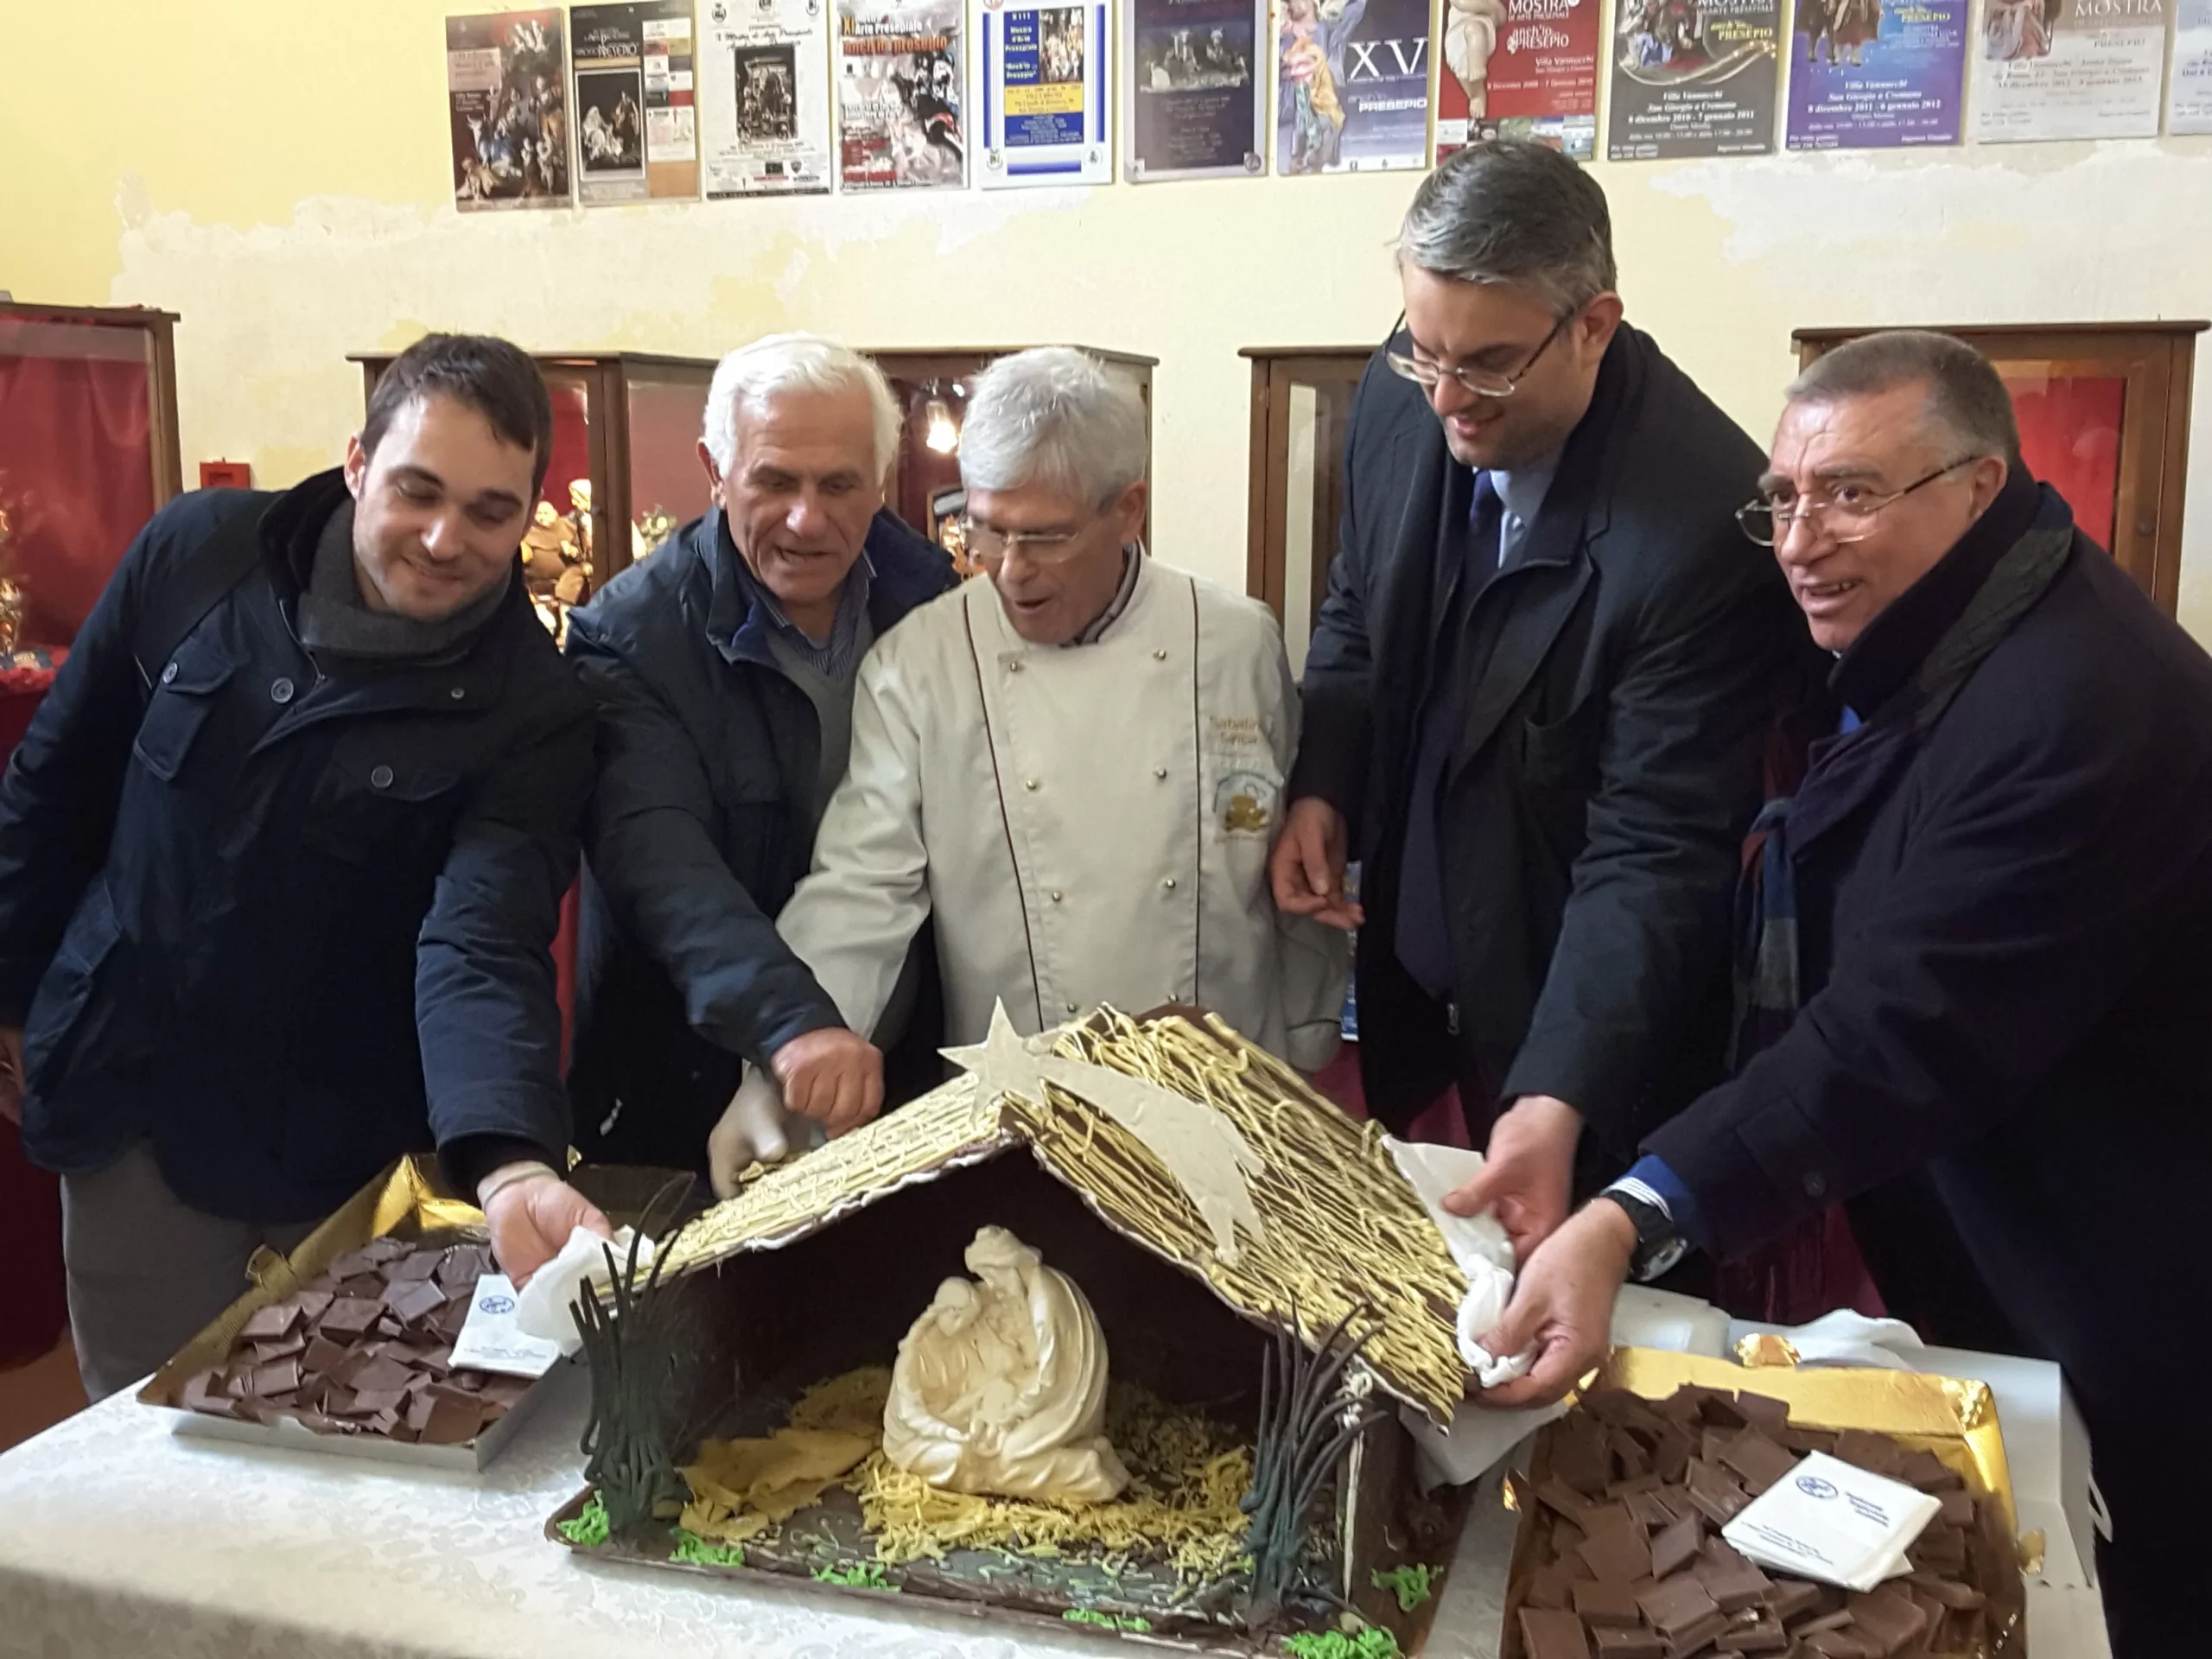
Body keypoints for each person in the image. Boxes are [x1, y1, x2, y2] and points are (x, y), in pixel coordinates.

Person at [1473, 330, 2212, 1658]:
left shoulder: (2079, 704)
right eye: (1786, 500)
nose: (1803, 539)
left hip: (2128, 1260)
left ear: (1979, 488)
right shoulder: (1953, 629)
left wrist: (1633, 1214)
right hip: (1993, 1206)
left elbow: (1903, 1030)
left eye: (1854, 493)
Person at [0, 334, 610, 1399]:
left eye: (489, 512)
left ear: (527, 515)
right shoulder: (196, 552)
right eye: (417, 490)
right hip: (133, 1103)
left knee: (327, 1447)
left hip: (343, 1152)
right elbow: (55, 782)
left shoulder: (534, 711)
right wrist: (11, 997)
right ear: (357, 462)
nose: (442, 537)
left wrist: (510, 1158)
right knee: (142, 1457)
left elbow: (482, 938)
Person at [1273, 140, 1813, 1250]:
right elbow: (1356, 609)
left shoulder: (1701, 526)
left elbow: (1654, 849)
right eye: (1426, 353)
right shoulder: (1400, 389)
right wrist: (1325, 781)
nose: (1449, 401)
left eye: (1489, 365)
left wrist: (1557, 1089)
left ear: (1594, 325)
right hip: (1415, 984)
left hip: (1583, 1025)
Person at [713, 347, 1344, 1191]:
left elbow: (1280, 854)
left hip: (1222, 1104)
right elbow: (861, 890)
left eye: (1044, 535)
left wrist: (1307, 1044)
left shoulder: (1234, 639)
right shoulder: (922, 663)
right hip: (1019, 1116)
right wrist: (777, 1064)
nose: (1009, 569)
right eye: (985, 528)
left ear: (1129, 510)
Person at [565, 333, 956, 1176]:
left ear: (880, 481)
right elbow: (662, 864)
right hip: (689, 1084)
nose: (806, 519)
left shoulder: (933, 604)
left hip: (895, 1079)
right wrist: (792, 1023)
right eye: (773, 481)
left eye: (838, 485)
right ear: (714, 471)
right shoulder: (628, 637)